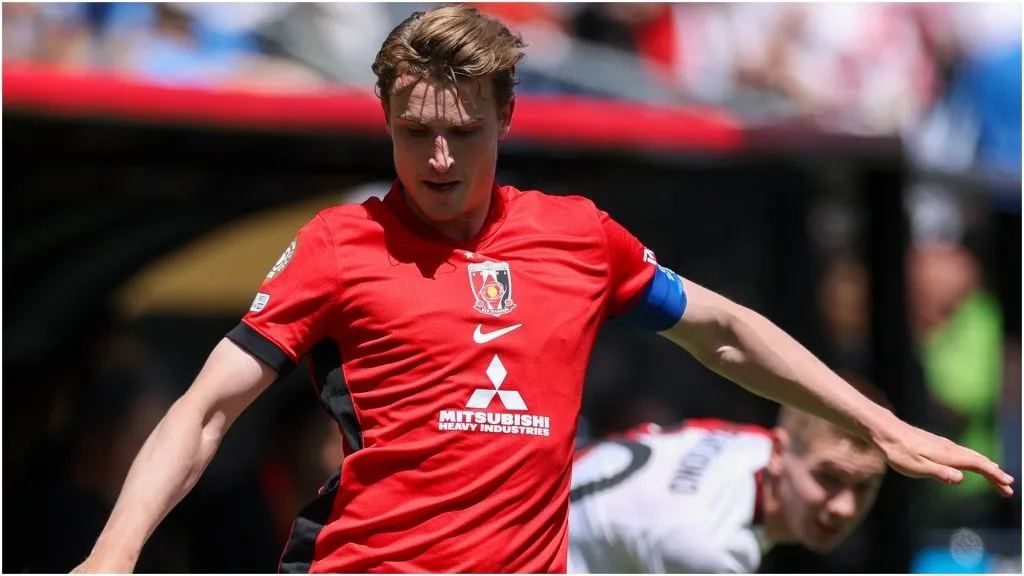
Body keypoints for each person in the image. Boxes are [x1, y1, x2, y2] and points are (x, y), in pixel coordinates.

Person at [73, 5, 1013, 574]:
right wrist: (114, 557)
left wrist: (879, 425)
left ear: (507, 118)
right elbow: (203, 411)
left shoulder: (577, 235)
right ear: (388, 120)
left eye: (463, 133)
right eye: (413, 133)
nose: (437, 160)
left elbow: (723, 331)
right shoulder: (339, 243)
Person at [567, 376, 890, 573]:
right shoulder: (711, 548)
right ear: (779, 452)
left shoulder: (753, 443)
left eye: (864, 487)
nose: (845, 507)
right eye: (829, 478)